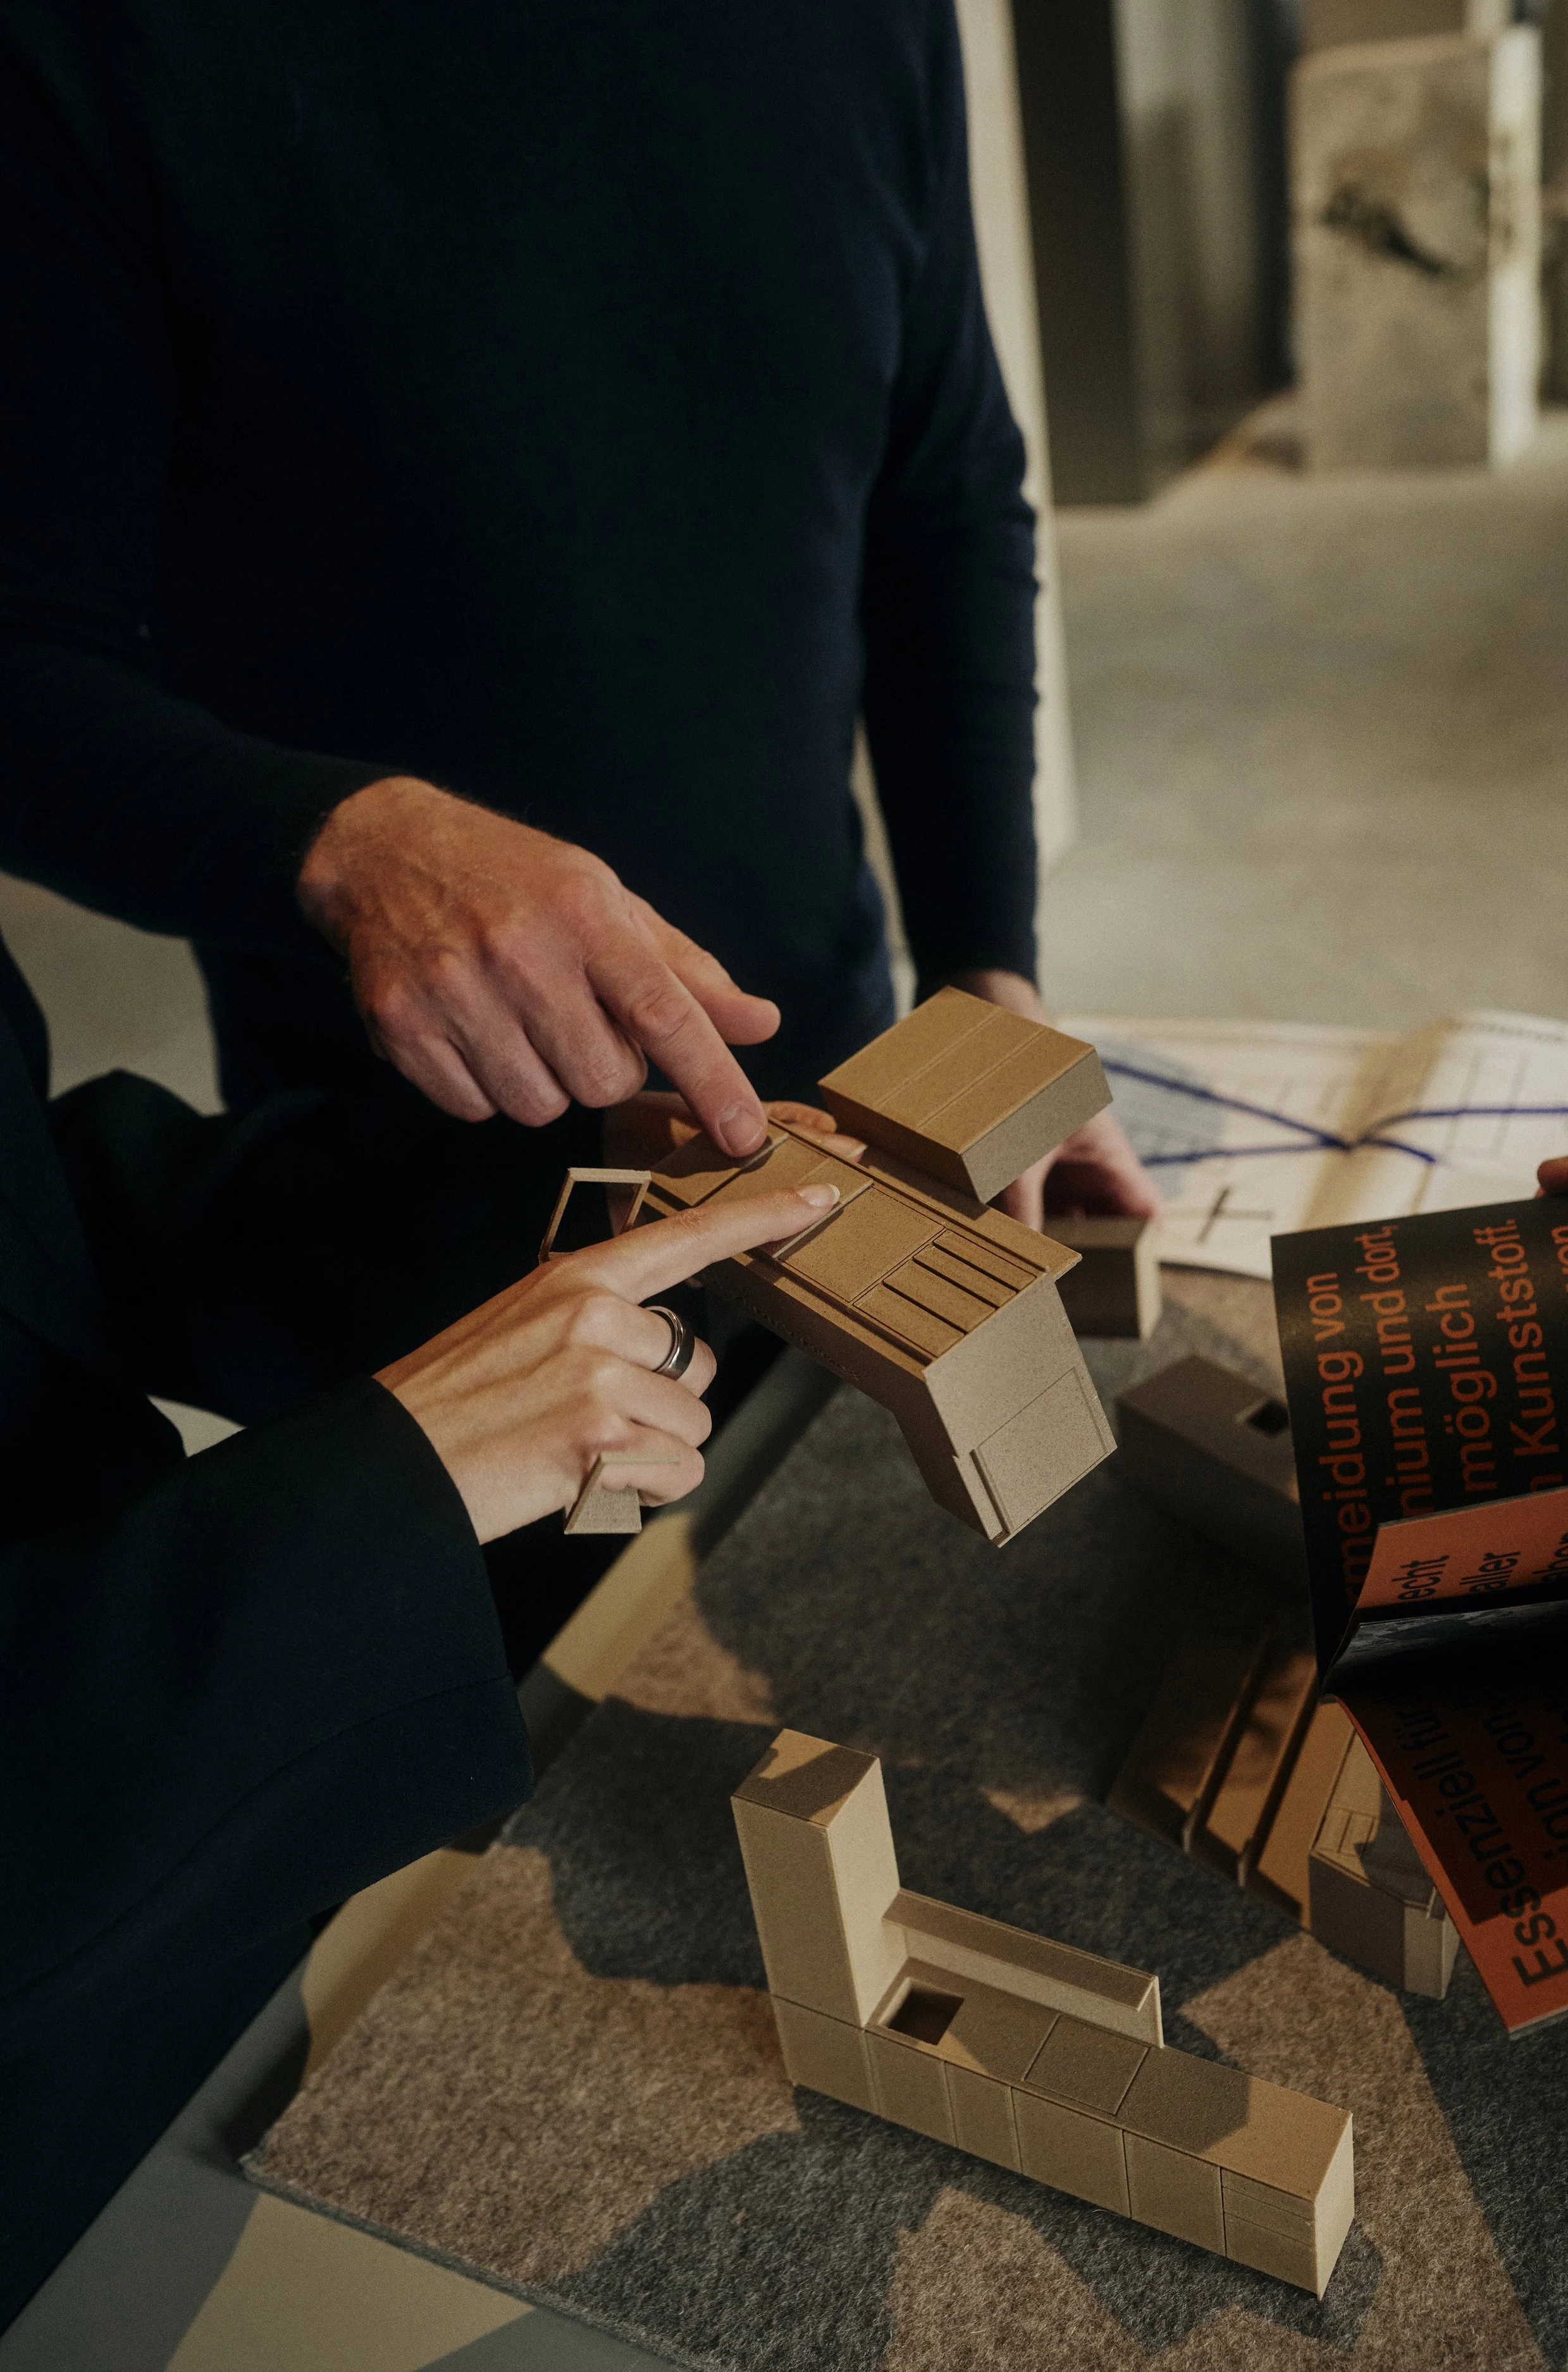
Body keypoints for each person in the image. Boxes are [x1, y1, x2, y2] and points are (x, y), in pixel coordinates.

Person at [0, 0, 1158, 1288]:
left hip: (823, 1080)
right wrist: (352, 846)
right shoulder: (87, 48)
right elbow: (25, 657)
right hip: (414, 1175)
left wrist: (981, 973)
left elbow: (942, 497)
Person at [0, 931, 837, 2328]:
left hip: (229, 1913)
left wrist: (551, 1226)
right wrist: (393, 1476)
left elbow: (42, 1219)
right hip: (66, 2147)